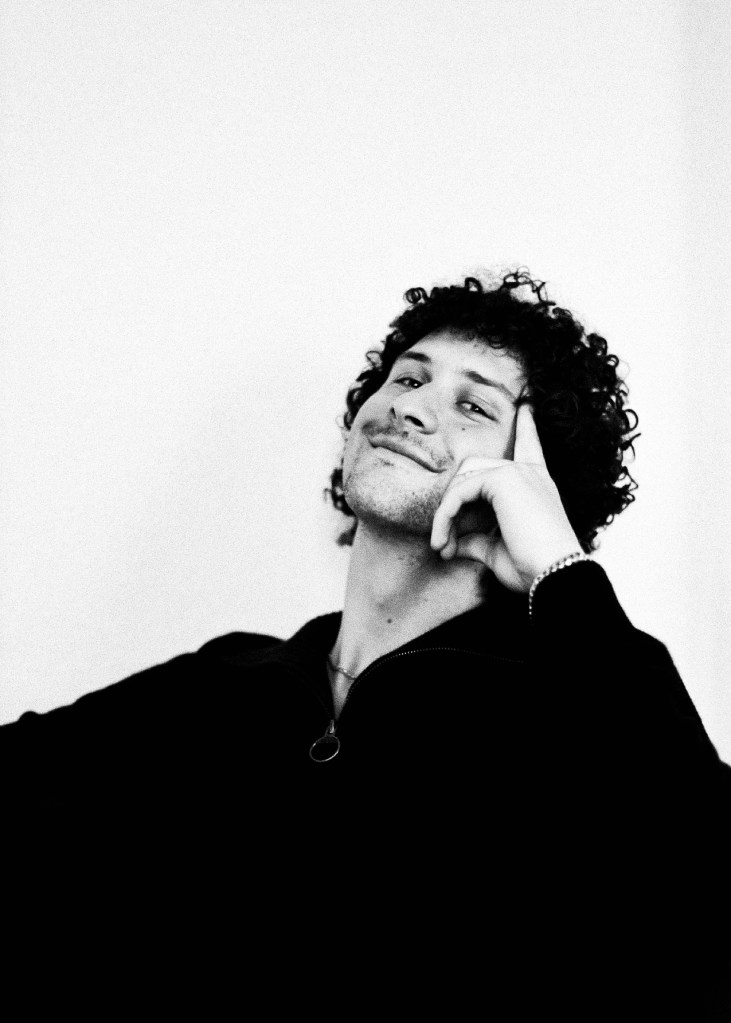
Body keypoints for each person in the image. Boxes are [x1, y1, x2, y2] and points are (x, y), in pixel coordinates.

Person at [3, 271, 730, 1018]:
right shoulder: (225, 679)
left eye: (473, 404)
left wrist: (560, 571)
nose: (409, 406)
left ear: (534, 483)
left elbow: (712, 878)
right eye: (407, 378)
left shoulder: (574, 716)